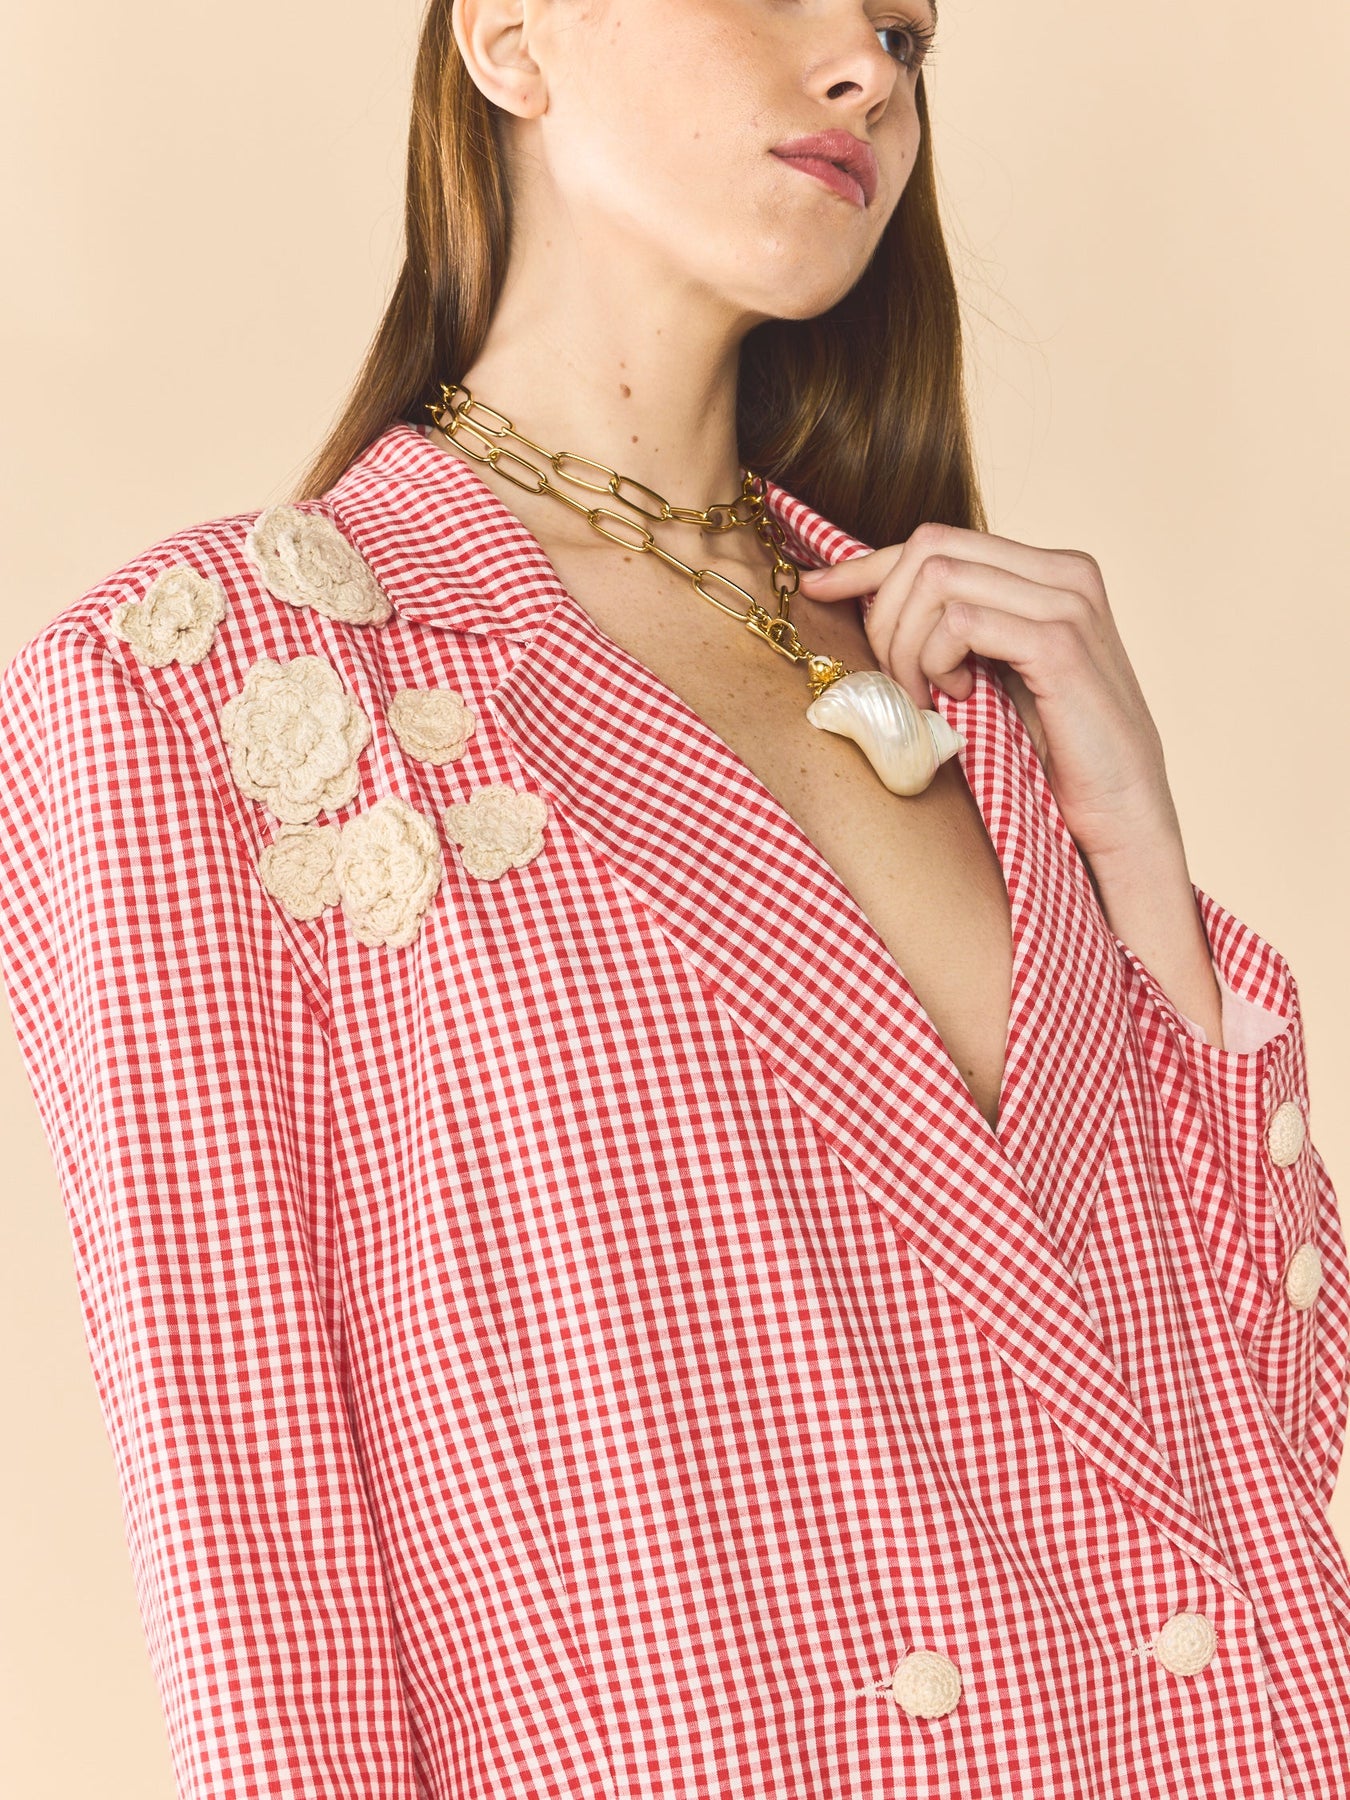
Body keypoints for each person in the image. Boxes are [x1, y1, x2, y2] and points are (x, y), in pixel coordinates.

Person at [0, 1, 1346, 1795]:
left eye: (902, 32)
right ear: (510, 38)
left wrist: (1133, 851)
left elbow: (1258, 1441)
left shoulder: (957, 671)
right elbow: (257, 1558)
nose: (867, 69)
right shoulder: (201, 684)